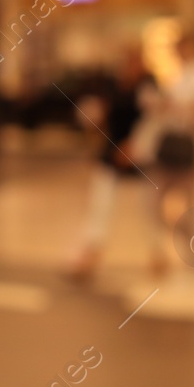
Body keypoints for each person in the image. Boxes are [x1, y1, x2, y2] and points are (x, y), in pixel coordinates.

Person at [68, 47, 158, 281]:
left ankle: (158, 256)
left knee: (149, 210)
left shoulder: (149, 87)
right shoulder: (111, 87)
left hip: (140, 157)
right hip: (112, 153)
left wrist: (135, 147)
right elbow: (98, 116)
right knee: (100, 207)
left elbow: (154, 121)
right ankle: (90, 254)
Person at [149, 32, 194, 270]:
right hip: (170, 140)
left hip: (189, 143)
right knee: (158, 200)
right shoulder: (175, 76)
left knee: (189, 201)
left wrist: (189, 111)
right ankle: (168, 248)